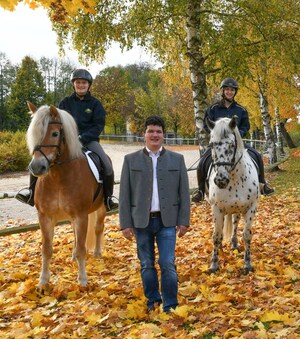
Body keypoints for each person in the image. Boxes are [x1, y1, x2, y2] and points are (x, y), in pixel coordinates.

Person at [15, 68, 118, 211]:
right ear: (73, 84)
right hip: (66, 142)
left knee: (106, 164)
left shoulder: (95, 104)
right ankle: (31, 192)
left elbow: (98, 126)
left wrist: (82, 137)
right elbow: (57, 123)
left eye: (83, 83)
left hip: (89, 141)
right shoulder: (65, 103)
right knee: (39, 159)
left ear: (88, 85)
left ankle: (108, 198)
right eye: (78, 82)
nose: (81, 85)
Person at [119, 116, 191, 313]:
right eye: (151, 131)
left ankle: (170, 304)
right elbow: (124, 194)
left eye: (158, 132)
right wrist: (125, 223)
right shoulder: (130, 160)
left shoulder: (177, 159)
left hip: (167, 222)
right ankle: (153, 300)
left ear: (163, 135)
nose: (155, 135)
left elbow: (184, 192)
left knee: (167, 263)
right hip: (141, 222)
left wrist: (184, 220)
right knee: (146, 264)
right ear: (144, 134)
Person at [191, 78, 274, 202]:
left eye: (232, 90)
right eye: (227, 90)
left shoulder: (241, 110)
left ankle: (263, 184)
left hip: (236, 142)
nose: (230, 92)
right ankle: (201, 190)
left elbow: (246, 126)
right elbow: (206, 125)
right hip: (219, 143)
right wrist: (216, 136)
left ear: (235, 92)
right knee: (202, 161)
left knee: (256, 154)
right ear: (223, 91)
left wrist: (238, 135)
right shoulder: (213, 109)